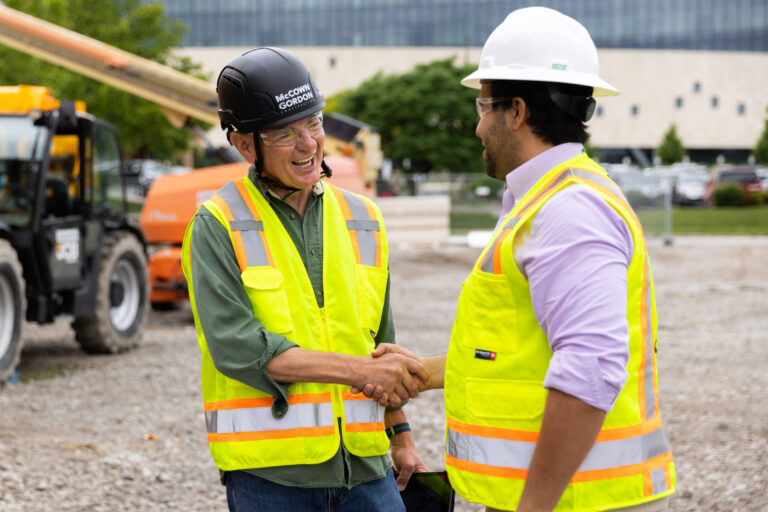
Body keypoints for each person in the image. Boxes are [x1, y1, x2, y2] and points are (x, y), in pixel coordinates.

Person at [360, 7, 676, 512]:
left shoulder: (570, 210)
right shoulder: (546, 199)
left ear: (517, 112)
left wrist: (533, 506)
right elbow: (519, 351)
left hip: (576, 502)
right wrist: (426, 371)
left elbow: (591, 366)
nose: (478, 125)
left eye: (483, 106)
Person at [181, 47, 429, 512]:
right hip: (272, 478)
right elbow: (237, 346)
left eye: (313, 123)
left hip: (369, 470)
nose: (309, 143)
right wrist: (358, 371)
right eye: (283, 133)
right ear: (243, 144)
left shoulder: (363, 217)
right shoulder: (216, 223)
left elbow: (381, 342)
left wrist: (401, 436)